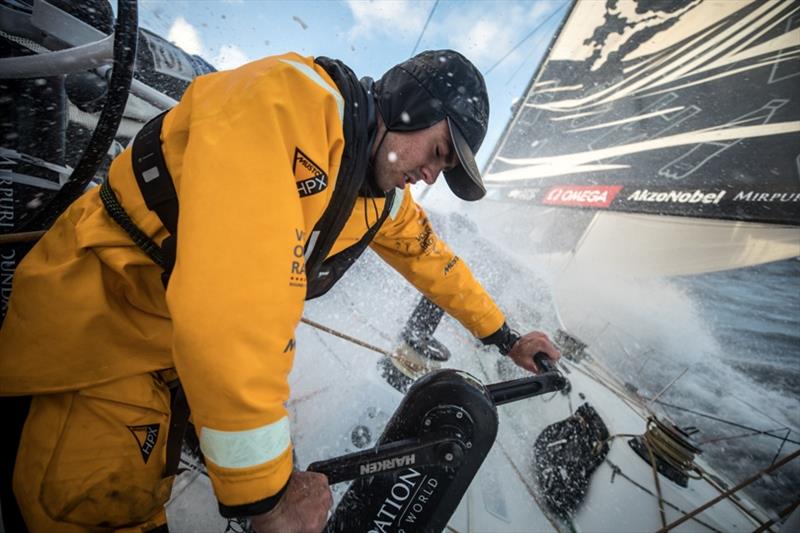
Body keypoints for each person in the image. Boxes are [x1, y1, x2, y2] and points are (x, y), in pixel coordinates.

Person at [0, 49, 560, 532]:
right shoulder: (281, 105)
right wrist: (266, 497)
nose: (432, 175)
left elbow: (433, 260)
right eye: (438, 152)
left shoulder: (380, 199)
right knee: (95, 510)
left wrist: (505, 336)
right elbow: (232, 308)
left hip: (172, 351)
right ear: (412, 104)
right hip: (102, 335)